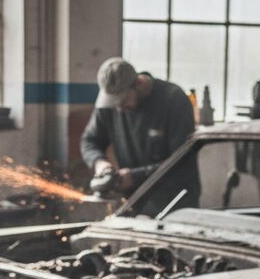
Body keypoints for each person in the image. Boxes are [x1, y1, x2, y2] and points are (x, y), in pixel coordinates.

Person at [80, 57, 198, 215]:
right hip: (134, 199)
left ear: (139, 83)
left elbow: (181, 160)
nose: (119, 109)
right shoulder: (112, 105)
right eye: (114, 103)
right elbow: (90, 140)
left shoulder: (173, 100)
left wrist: (135, 176)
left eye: (122, 101)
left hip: (174, 201)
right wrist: (100, 163)